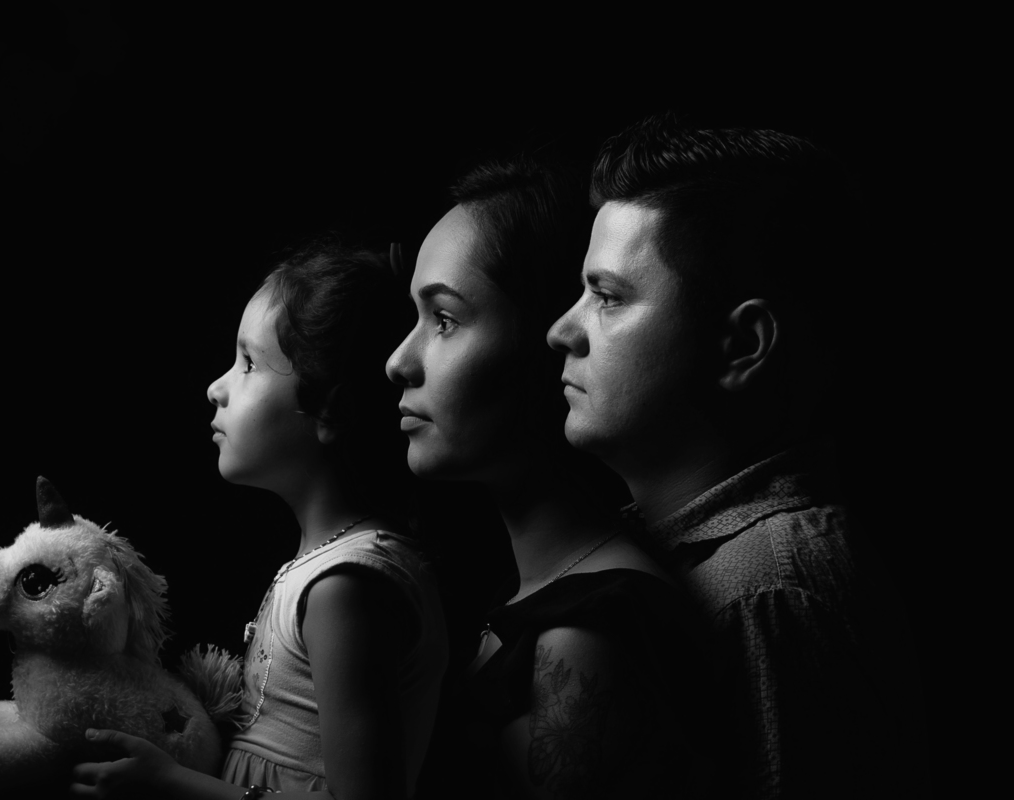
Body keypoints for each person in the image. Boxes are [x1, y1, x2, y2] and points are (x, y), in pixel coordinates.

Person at [546, 114, 927, 799]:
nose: (561, 330)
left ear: (742, 345)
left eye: (608, 297)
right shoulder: (673, 560)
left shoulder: (765, 594)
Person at [387, 159, 717, 798]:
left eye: (444, 320)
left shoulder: (592, 627)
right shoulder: (526, 584)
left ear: (548, 335)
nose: (399, 362)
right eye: (415, 319)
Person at [71, 244, 448, 799]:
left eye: (248, 363)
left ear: (331, 410)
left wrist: (172, 783)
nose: (216, 387)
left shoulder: (346, 587)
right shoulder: (326, 566)